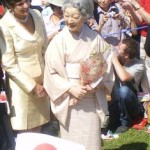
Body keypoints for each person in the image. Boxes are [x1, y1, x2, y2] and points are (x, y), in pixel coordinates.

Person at [44, 0, 114, 149]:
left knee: (90, 139)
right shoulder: (58, 40)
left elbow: (106, 63)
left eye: (74, 16)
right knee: (71, 141)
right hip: (69, 99)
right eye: (66, 15)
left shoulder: (95, 38)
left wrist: (93, 84)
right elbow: (51, 72)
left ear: (84, 16)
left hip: (90, 96)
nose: (69, 20)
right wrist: (70, 88)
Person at [0, 0, 50, 134]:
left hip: (43, 83)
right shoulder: (4, 25)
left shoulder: (37, 14)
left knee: (39, 132)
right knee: (26, 135)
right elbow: (9, 63)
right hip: (22, 87)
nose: (26, 6)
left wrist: (48, 77)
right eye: (20, 4)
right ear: (10, 5)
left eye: (28, 1)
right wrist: (33, 86)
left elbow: (45, 48)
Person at [108, 38, 144, 133]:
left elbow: (124, 77)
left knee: (124, 90)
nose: (116, 48)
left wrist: (114, 59)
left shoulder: (138, 65)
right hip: (115, 102)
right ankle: (115, 119)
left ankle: (125, 122)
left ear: (126, 55)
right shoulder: (115, 60)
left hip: (132, 104)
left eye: (119, 48)